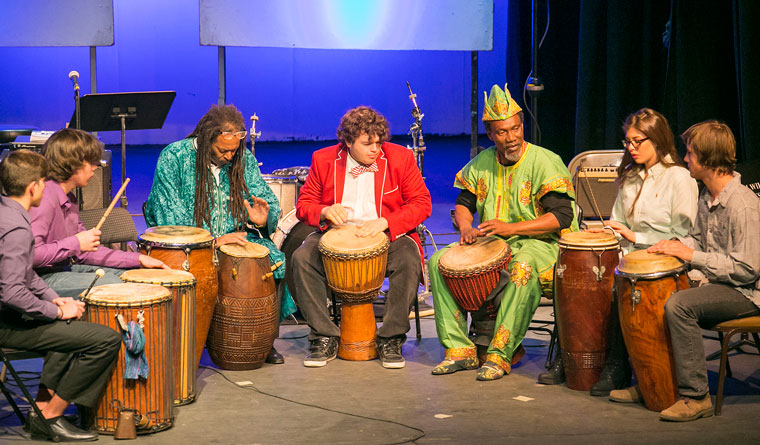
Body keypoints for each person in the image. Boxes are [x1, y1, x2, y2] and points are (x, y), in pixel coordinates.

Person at [538, 108, 699, 393]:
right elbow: (619, 223)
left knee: (611, 284)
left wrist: (634, 235)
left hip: (666, 260)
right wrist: (606, 233)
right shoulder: (630, 176)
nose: (631, 148)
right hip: (630, 254)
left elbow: (683, 236)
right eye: (628, 141)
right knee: (578, 273)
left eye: (638, 141)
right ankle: (569, 355)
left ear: (658, 140)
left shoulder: (679, 178)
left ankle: (617, 366)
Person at [429, 84, 578, 381]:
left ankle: (500, 353)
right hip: (493, 243)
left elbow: (562, 217)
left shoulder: (543, 161)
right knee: (438, 262)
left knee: (520, 267)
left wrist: (510, 228)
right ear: (491, 135)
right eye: (501, 132)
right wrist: (468, 226)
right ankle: (460, 349)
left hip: (541, 245)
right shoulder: (483, 163)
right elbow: (463, 203)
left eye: (514, 129)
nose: (510, 138)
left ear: (521, 125)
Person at [144, 104, 295, 364]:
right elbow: (168, 213)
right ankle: (195, 336)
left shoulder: (241, 159)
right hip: (188, 247)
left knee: (273, 256)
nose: (229, 156)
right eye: (222, 150)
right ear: (205, 139)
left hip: (234, 237)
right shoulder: (175, 157)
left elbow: (265, 198)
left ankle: (263, 337)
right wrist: (212, 241)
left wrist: (262, 219)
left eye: (233, 150)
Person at [292, 106, 432, 369]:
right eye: (367, 144)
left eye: (379, 143)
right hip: (337, 234)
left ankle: (391, 337)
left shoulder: (400, 158)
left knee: (409, 259)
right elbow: (304, 204)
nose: (375, 150)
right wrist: (324, 210)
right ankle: (323, 335)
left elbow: (422, 203)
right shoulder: (323, 159)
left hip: (387, 235)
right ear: (347, 141)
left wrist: (386, 222)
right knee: (302, 259)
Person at [0, 150, 121, 442]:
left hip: (10, 316)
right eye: (43, 181)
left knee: (73, 327)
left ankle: (41, 405)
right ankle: (50, 416)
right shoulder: (16, 227)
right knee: (105, 340)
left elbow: (27, 275)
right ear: (33, 187)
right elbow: (11, 291)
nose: (46, 186)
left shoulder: (8, 212)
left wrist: (55, 299)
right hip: (6, 324)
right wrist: (54, 312)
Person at [646, 121, 760, 421]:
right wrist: (672, 245)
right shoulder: (706, 196)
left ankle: (696, 396)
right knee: (652, 292)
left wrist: (691, 255)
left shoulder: (743, 205)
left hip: (745, 293)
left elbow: (747, 269)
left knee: (680, 305)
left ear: (708, 160)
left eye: (691, 153)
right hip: (717, 283)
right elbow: (696, 240)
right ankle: (655, 380)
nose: (686, 159)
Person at [30, 129, 168, 298]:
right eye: (91, 162)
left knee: (131, 274)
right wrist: (75, 243)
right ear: (73, 164)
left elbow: (84, 252)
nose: (95, 168)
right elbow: (32, 255)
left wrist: (137, 260)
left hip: (63, 268)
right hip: (38, 279)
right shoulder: (44, 198)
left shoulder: (69, 198)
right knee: (115, 285)